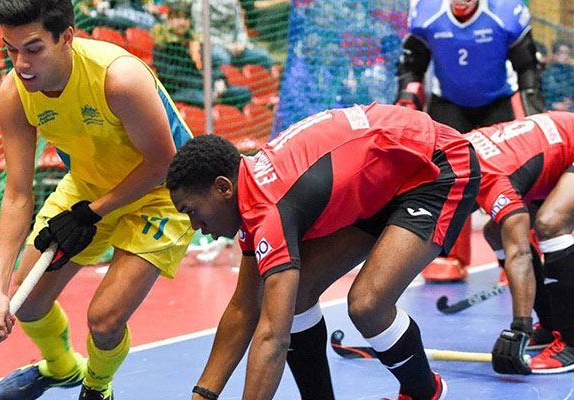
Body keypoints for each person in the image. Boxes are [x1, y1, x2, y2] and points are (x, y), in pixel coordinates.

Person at [167, 103, 481, 400]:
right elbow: (242, 308)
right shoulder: (249, 191)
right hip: (386, 175)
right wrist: (203, 394)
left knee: (368, 304)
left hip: (437, 164)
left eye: (192, 211)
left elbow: (273, 339)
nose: (195, 225)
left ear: (223, 188)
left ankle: (424, 392)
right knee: (297, 293)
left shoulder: (270, 211)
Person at [0, 0, 194, 399]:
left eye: (32, 48)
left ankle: (96, 387)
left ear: (66, 37)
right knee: (26, 303)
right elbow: (17, 194)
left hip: (162, 194)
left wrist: (92, 214)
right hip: (88, 188)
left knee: (105, 320)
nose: (20, 62)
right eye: (10, 49)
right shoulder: (15, 93)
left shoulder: (119, 79)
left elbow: (164, 164)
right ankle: (61, 368)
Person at [395, 0, 546, 281]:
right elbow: (411, 67)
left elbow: (527, 69)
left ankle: (521, 255)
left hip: (497, 102)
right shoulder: (426, 14)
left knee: (514, 176)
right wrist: (407, 101)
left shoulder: (505, 13)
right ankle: (447, 255)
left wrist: (532, 111)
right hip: (449, 103)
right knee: (443, 178)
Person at [466, 111, 574, 374]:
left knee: (550, 224)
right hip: (552, 157)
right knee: (495, 231)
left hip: (564, 148)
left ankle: (572, 343)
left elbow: (520, 254)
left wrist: (519, 328)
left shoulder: (491, 178)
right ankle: (551, 325)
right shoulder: (460, 148)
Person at [151, 0, 252, 109]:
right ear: (169, 20)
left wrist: (219, 80)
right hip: (181, 92)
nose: (182, 22)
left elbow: (213, 65)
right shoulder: (162, 46)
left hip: (205, 87)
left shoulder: (195, 42)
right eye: (177, 18)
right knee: (205, 99)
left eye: (185, 18)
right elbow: (174, 79)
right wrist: (207, 85)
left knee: (243, 93)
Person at [191, 0, 273, 69]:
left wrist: (241, 44)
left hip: (237, 47)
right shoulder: (199, 5)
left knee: (263, 56)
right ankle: (227, 86)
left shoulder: (233, 2)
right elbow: (201, 35)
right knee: (223, 58)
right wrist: (226, 46)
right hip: (214, 47)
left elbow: (240, 27)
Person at [542, 40, 573, 112]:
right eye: (562, 53)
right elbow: (543, 97)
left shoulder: (571, 72)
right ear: (554, 54)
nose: (566, 56)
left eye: (568, 53)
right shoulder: (547, 73)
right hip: (553, 111)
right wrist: (553, 105)